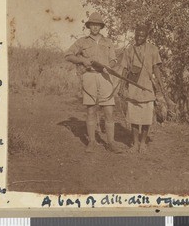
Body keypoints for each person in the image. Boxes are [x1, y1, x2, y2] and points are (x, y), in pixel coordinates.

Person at [65, 12, 122, 154]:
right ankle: (91, 142)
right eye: (92, 24)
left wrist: (111, 65)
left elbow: (113, 60)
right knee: (90, 110)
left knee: (109, 111)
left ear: (101, 26)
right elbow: (68, 55)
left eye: (97, 24)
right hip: (89, 76)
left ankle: (111, 142)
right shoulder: (82, 42)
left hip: (105, 77)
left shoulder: (108, 42)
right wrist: (82, 61)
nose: (95, 27)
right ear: (89, 26)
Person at [119, 23, 174, 153]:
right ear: (135, 35)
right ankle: (135, 144)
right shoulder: (129, 50)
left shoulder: (153, 49)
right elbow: (125, 69)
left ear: (146, 36)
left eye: (142, 35)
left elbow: (156, 69)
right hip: (133, 88)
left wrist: (161, 86)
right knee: (133, 118)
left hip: (148, 88)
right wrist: (121, 86)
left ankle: (143, 143)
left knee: (146, 119)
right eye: (137, 35)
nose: (139, 37)